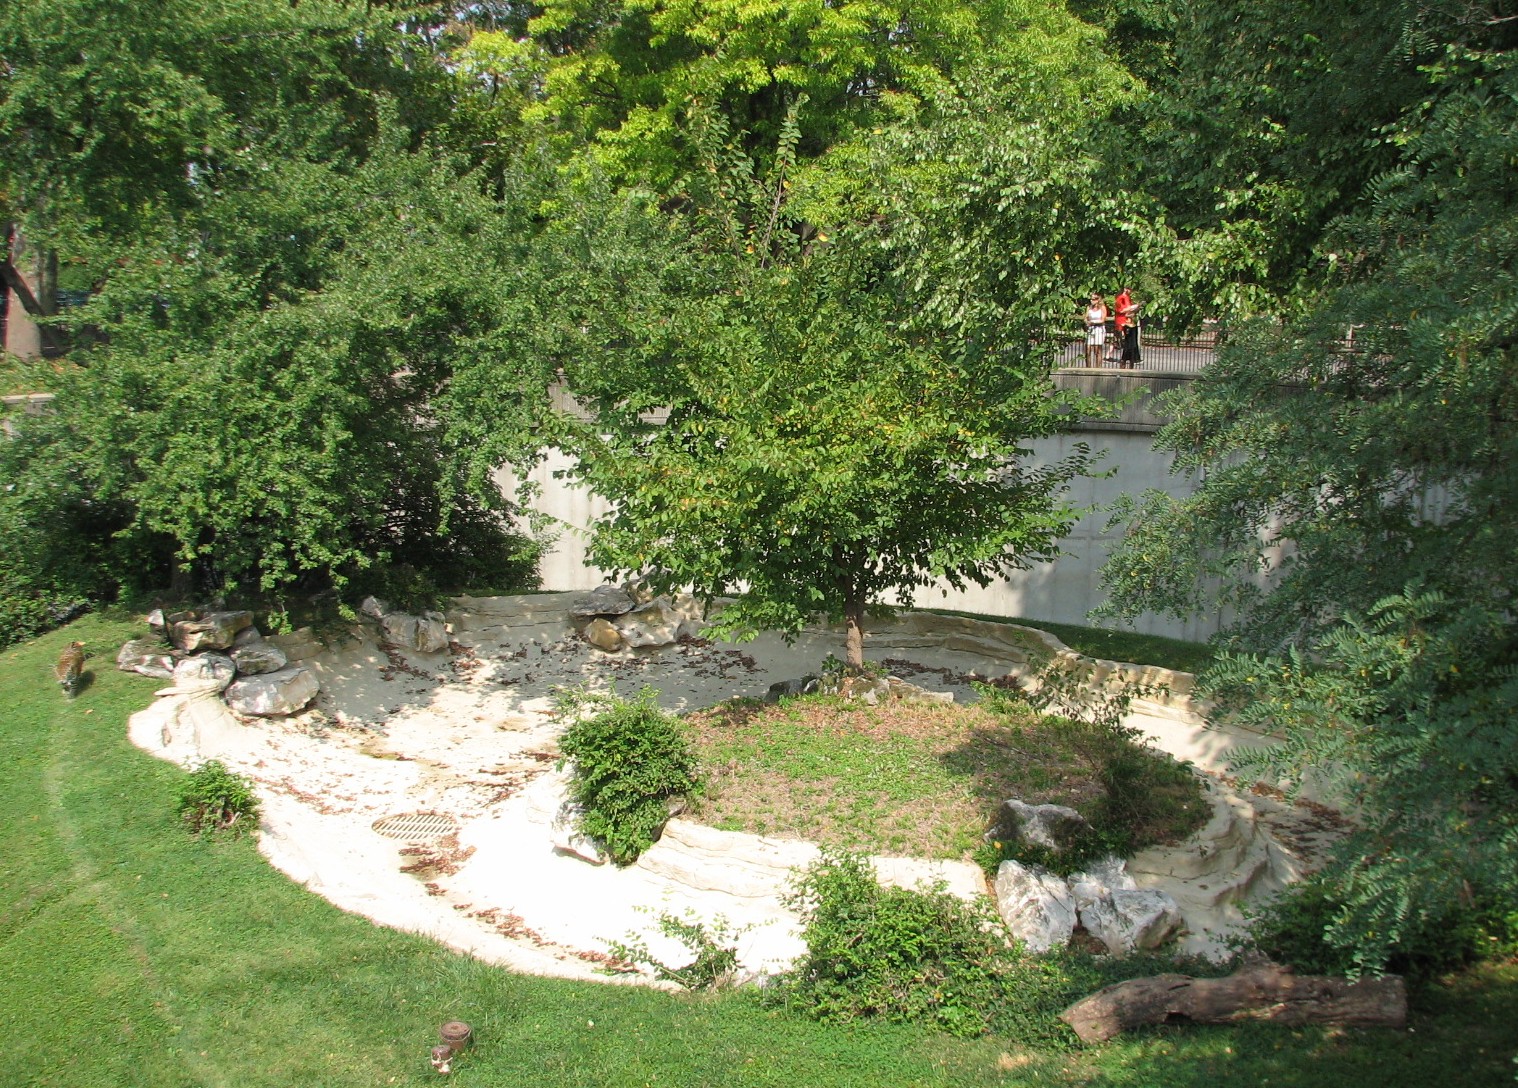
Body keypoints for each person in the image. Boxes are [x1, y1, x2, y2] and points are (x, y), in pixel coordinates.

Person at [1115, 287, 1141, 368]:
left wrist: (1135, 309)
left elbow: (1130, 311)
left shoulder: (1128, 298)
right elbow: (1120, 310)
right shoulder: (1121, 298)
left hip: (1130, 322)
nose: (1130, 291)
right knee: (1126, 345)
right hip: (1123, 323)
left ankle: (1132, 361)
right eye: (1129, 289)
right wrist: (1132, 308)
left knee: (1133, 345)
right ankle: (1123, 362)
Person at [1083, 293, 1108, 367]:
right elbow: (1086, 317)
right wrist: (1086, 322)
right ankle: (1088, 367)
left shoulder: (1102, 307)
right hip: (1091, 329)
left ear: (1098, 300)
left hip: (1099, 329)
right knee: (1088, 349)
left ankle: (1098, 367)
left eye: (1093, 299)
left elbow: (1103, 319)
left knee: (1097, 350)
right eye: (1091, 299)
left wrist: (1094, 322)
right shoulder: (1089, 307)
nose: (1091, 301)